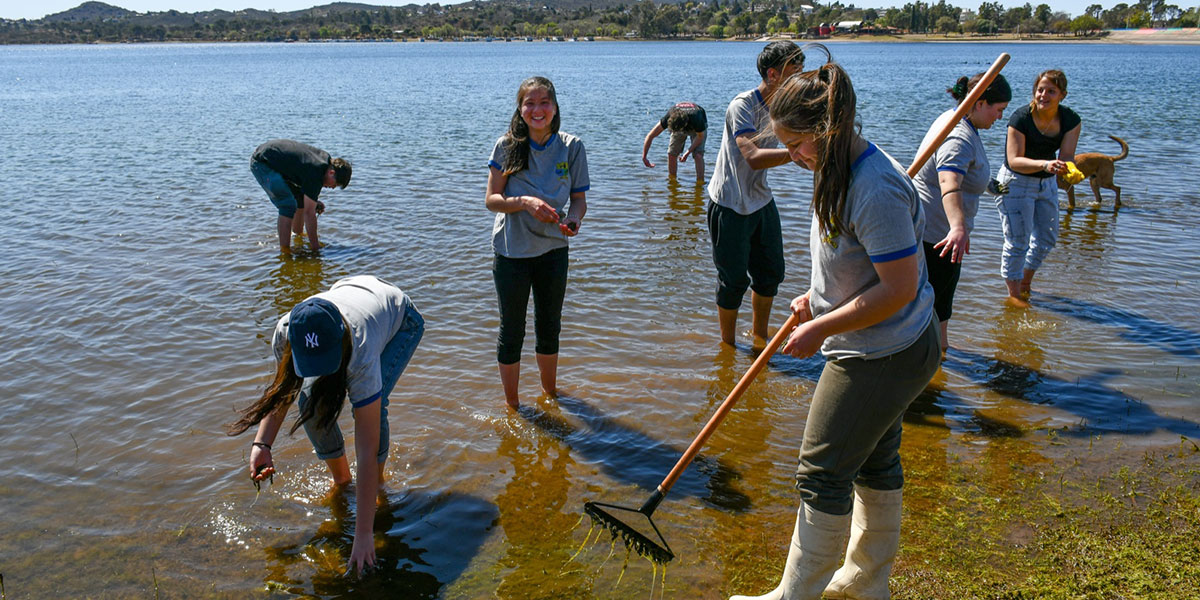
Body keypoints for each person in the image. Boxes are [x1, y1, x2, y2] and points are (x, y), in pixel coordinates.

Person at [731, 52, 940, 600]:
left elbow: (896, 289)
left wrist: (822, 329)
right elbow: (853, 262)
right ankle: (867, 583)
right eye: (788, 144)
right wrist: (816, 298)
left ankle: (793, 595)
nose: (795, 157)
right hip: (879, 342)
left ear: (831, 127)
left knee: (820, 470)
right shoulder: (834, 166)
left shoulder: (874, 186)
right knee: (874, 457)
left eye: (800, 144)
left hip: (886, 351)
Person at [227, 275, 423, 575]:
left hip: (399, 319)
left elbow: (366, 446)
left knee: (374, 406)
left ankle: (379, 486)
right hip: (350, 296)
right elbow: (284, 392)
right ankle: (343, 482)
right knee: (311, 403)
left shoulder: (361, 349)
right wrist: (262, 444)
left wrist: (363, 534)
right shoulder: (285, 334)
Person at [485, 76, 589, 408]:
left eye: (544, 102)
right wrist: (525, 203)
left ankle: (550, 396)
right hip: (512, 251)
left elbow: (579, 200)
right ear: (520, 109)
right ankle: (514, 407)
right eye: (530, 103)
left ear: (555, 108)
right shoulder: (506, 146)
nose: (537, 109)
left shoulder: (572, 147)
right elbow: (492, 200)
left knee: (549, 326)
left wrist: (574, 220)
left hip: (554, 250)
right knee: (511, 330)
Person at [707, 41, 804, 349]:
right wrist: (797, 152)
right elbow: (752, 155)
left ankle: (760, 339)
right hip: (730, 203)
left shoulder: (787, 106)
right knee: (733, 281)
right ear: (773, 74)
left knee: (771, 274)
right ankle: (728, 347)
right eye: (794, 72)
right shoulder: (743, 105)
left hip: (761, 200)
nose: (800, 79)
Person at [913, 72, 1012, 351]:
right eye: (998, 109)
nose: (1000, 117)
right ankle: (928, 360)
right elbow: (949, 182)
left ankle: (940, 353)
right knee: (933, 303)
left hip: (936, 233)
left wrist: (990, 185)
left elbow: (963, 174)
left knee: (941, 303)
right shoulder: (958, 137)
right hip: (937, 236)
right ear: (980, 103)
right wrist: (957, 227)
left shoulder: (954, 117)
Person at [995, 69, 1080, 307]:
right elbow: (1014, 160)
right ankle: (1014, 296)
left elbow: (1067, 156)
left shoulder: (1071, 120)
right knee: (1017, 241)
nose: (1043, 95)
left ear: (1062, 95)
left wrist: (1069, 170)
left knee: (1047, 238)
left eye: (1051, 91)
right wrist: (1046, 163)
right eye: (1040, 89)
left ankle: (1024, 282)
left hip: (1047, 183)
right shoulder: (1020, 118)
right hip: (1015, 182)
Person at [250, 139, 352, 254]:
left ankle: (297, 235)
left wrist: (314, 202)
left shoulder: (324, 162)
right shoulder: (316, 172)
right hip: (262, 163)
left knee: (301, 201)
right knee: (287, 205)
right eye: (335, 184)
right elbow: (309, 214)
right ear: (332, 173)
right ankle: (285, 253)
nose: (332, 187)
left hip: (273, 158)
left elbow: (306, 197)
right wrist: (316, 248)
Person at [641, 102, 708, 181]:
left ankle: (700, 183)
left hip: (696, 127)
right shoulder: (669, 117)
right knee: (671, 154)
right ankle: (672, 182)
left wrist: (687, 153)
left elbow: (700, 137)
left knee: (698, 155)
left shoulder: (697, 118)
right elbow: (650, 136)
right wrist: (644, 157)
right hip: (679, 122)